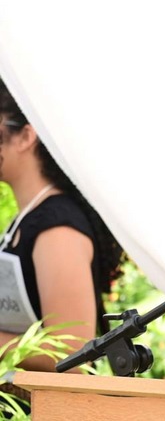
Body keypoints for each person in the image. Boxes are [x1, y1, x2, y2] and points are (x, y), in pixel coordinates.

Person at [0, 79, 124, 371]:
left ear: (25, 136)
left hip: (41, 403)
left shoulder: (57, 228)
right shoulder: (30, 218)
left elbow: (73, 352)